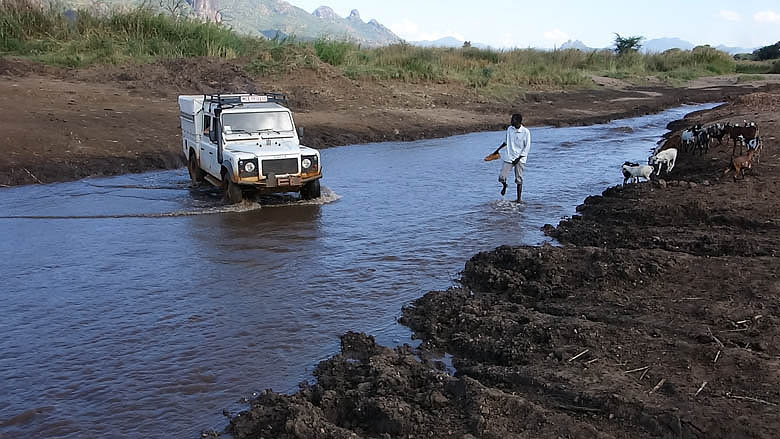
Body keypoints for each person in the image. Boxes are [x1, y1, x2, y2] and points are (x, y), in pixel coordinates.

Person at [489, 113, 531, 202]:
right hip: (509, 156)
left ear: (518, 121)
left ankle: (519, 199)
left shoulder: (525, 132)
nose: (511, 121)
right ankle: (505, 185)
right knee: (501, 177)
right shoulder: (509, 129)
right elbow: (506, 141)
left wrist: (519, 158)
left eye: (513, 120)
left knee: (519, 179)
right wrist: (497, 150)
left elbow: (527, 147)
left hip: (520, 158)